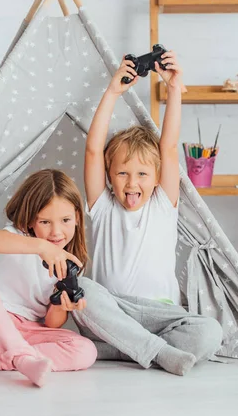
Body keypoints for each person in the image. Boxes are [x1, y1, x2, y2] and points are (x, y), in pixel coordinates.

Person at [73, 51, 223, 376]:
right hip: (113, 308)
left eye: (142, 174)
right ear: (109, 177)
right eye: (122, 173)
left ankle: (121, 349)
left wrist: (173, 89)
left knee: (211, 332)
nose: (132, 183)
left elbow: (169, 147)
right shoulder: (102, 205)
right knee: (81, 288)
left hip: (161, 314)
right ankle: (157, 354)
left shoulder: (162, 204)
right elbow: (93, 149)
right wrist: (113, 92)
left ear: (157, 179)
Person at [0, 169, 97, 387]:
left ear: (77, 217)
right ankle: (21, 359)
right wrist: (40, 247)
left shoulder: (72, 264)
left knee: (86, 350)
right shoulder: (17, 237)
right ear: (30, 222)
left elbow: (50, 323)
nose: (56, 232)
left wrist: (61, 305)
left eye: (65, 220)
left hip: (27, 331)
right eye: (45, 222)